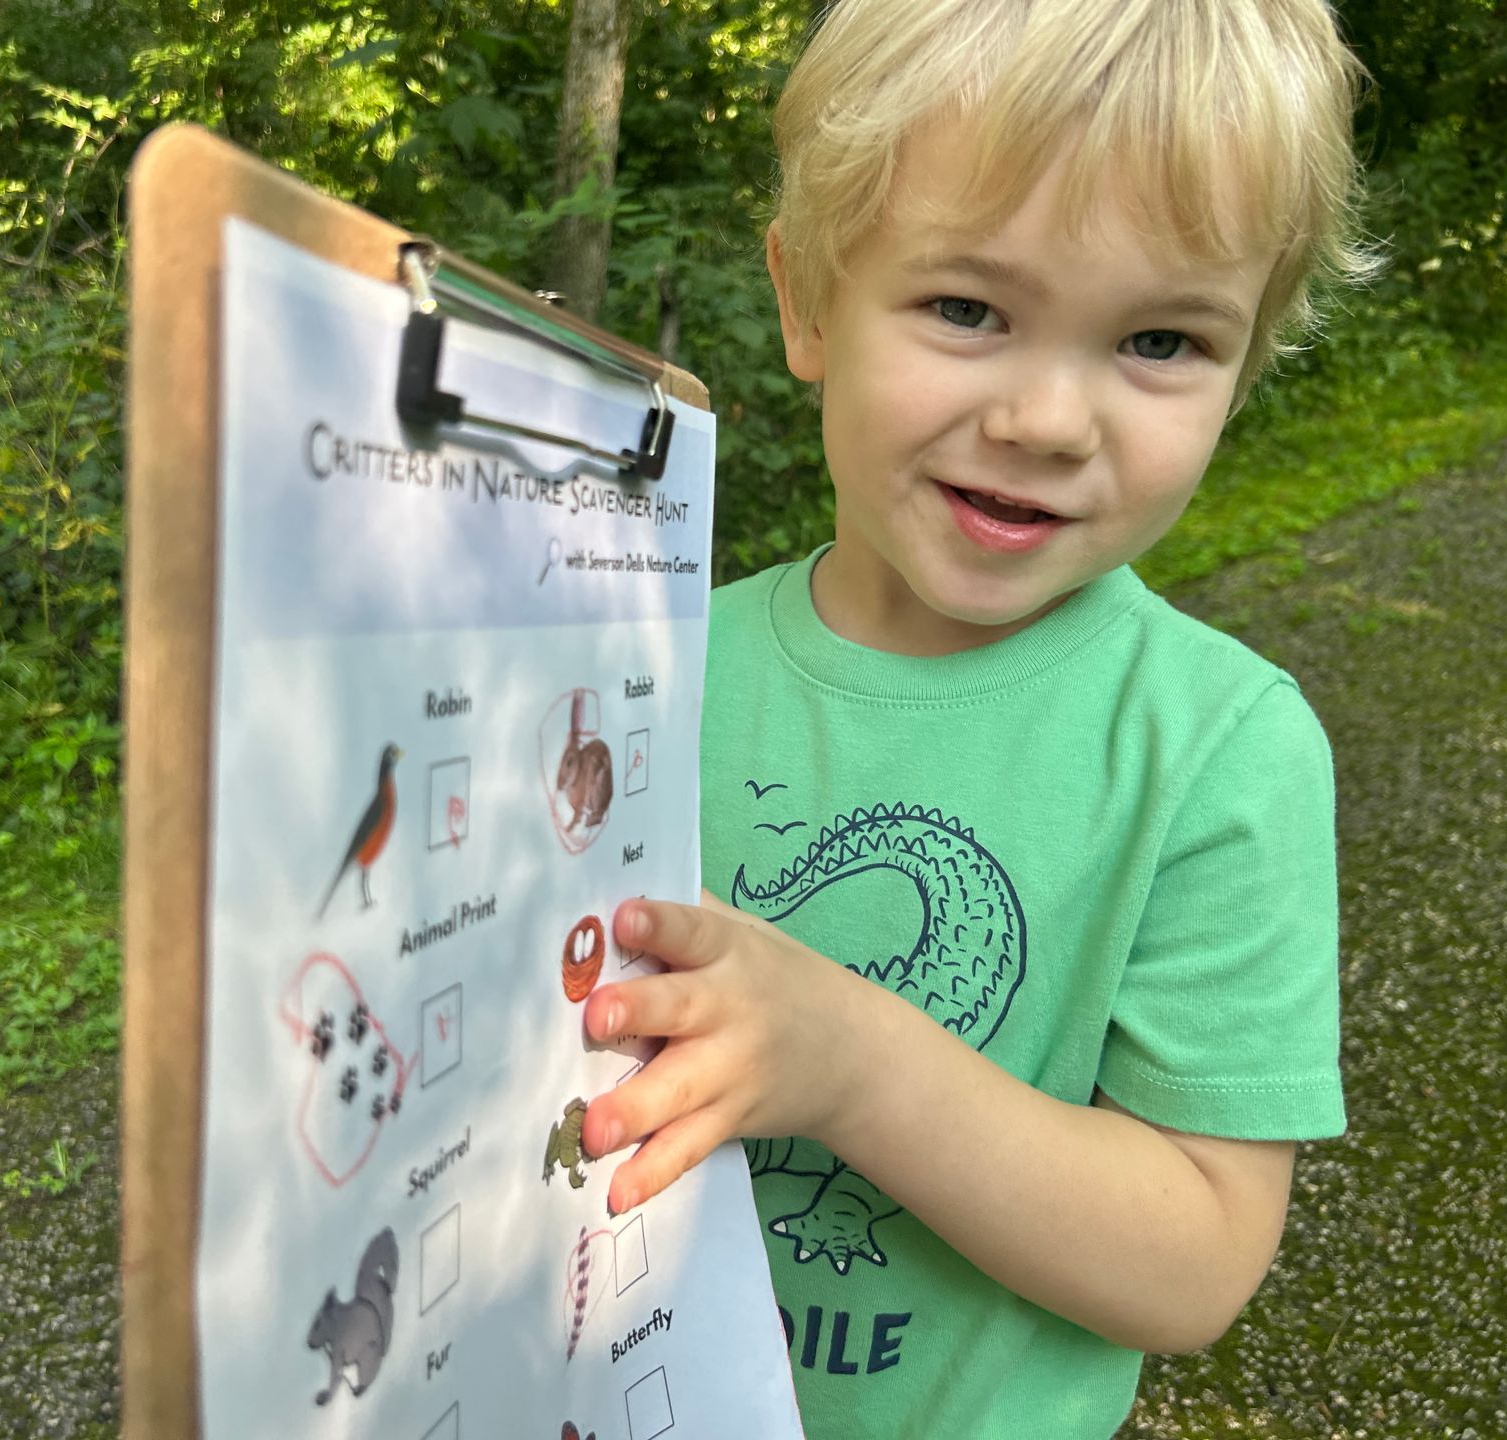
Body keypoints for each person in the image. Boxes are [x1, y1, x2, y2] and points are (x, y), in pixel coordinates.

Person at [577, 1, 1371, 1434]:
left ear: (1244, 368)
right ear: (809, 301)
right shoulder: (650, 668)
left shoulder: (1222, 752)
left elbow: (1195, 1262)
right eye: (967, 309)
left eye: (1161, 339)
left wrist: (849, 1064)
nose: (1051, 418)